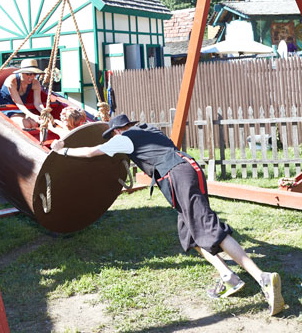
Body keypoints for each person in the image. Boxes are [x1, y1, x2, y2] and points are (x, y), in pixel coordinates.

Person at [51, 114, 284, 317]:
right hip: (186, 169)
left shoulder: (125, 138)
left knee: (208, 227)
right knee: (190, 233)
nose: (113, 138)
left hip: (177, 175)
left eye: (113, 134)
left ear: (118, 130)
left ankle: (261, 277)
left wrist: (64, 150)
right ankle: (228, 277)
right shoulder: (150, 131)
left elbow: (92, 152)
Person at [0, 58, 44, 130]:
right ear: (21, 72)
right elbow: (19, 103)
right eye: (29, 74)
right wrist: (33, 116)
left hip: (23, 109)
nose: (32, 77)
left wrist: (45, 113)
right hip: (7, 108)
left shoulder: (35, 83)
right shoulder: (11, 81)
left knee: (34, 123)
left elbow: (38, 103)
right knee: (26, 125)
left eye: (34, 74)